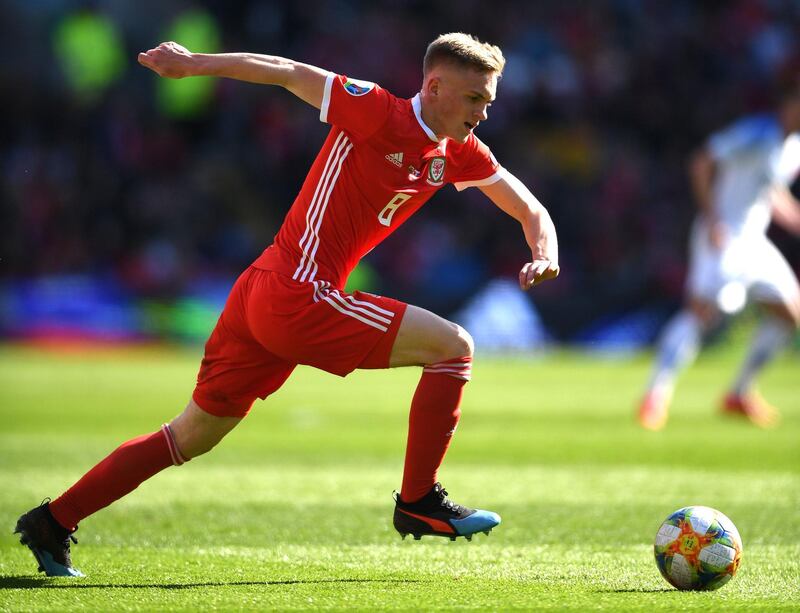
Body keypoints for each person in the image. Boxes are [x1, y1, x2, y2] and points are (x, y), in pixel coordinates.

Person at [15, 33, 559, 577]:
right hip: (298, 293)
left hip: (265, 289)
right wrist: (191, 65)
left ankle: (52, 520)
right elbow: (285, 69)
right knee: (453, 348)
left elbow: (529, 208)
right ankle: (418, 501)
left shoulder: (457, 152)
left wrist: (544, 252)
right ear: (435, 87)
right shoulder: (375, 110)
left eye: (487, 101)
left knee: (191, 434)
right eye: (474, 99)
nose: (483, 113)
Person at [638, 78, 800, 431]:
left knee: (791, 313)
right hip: (723, 235)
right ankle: (655, 394)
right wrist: (713, 219)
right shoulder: (758, 132)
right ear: (788, 104)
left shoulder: (794, 148)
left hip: (754, 241)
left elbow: (769, 190)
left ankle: (739, 394)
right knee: (704, 311)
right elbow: (701, 161)